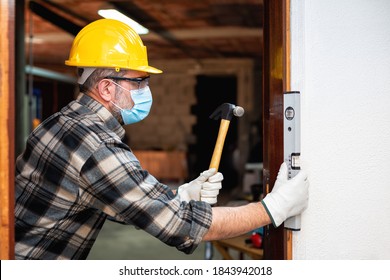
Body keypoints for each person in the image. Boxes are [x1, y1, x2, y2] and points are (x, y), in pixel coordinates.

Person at [14, 19, 309, 260]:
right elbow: (183, 227)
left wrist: (181, 195)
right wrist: (274, 208)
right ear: (106, 88)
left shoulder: (59, 122)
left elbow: (116, 199)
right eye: (138, 81)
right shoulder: (97, 146)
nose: (145, 89)